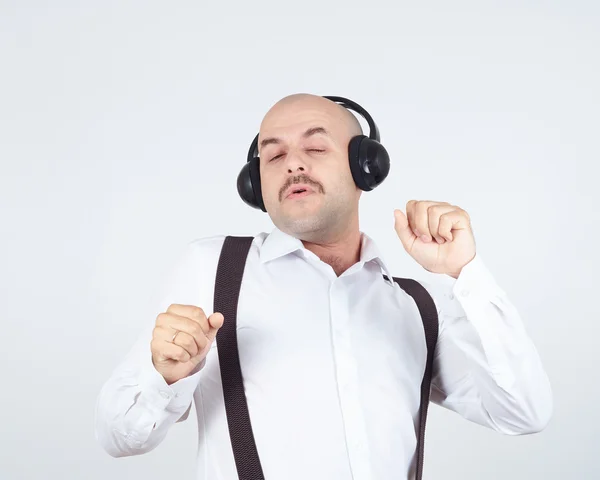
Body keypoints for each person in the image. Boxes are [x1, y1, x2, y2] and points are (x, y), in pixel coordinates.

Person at [95, 94, 552, 480]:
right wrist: (165, 377)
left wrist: (466, 274)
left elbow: (523, 413)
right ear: (256, 185)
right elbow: (117, 435)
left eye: (315, 148)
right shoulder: (211, 267)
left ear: (365, 168)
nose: (292, 162)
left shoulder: (416, 304)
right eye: (273, 155)